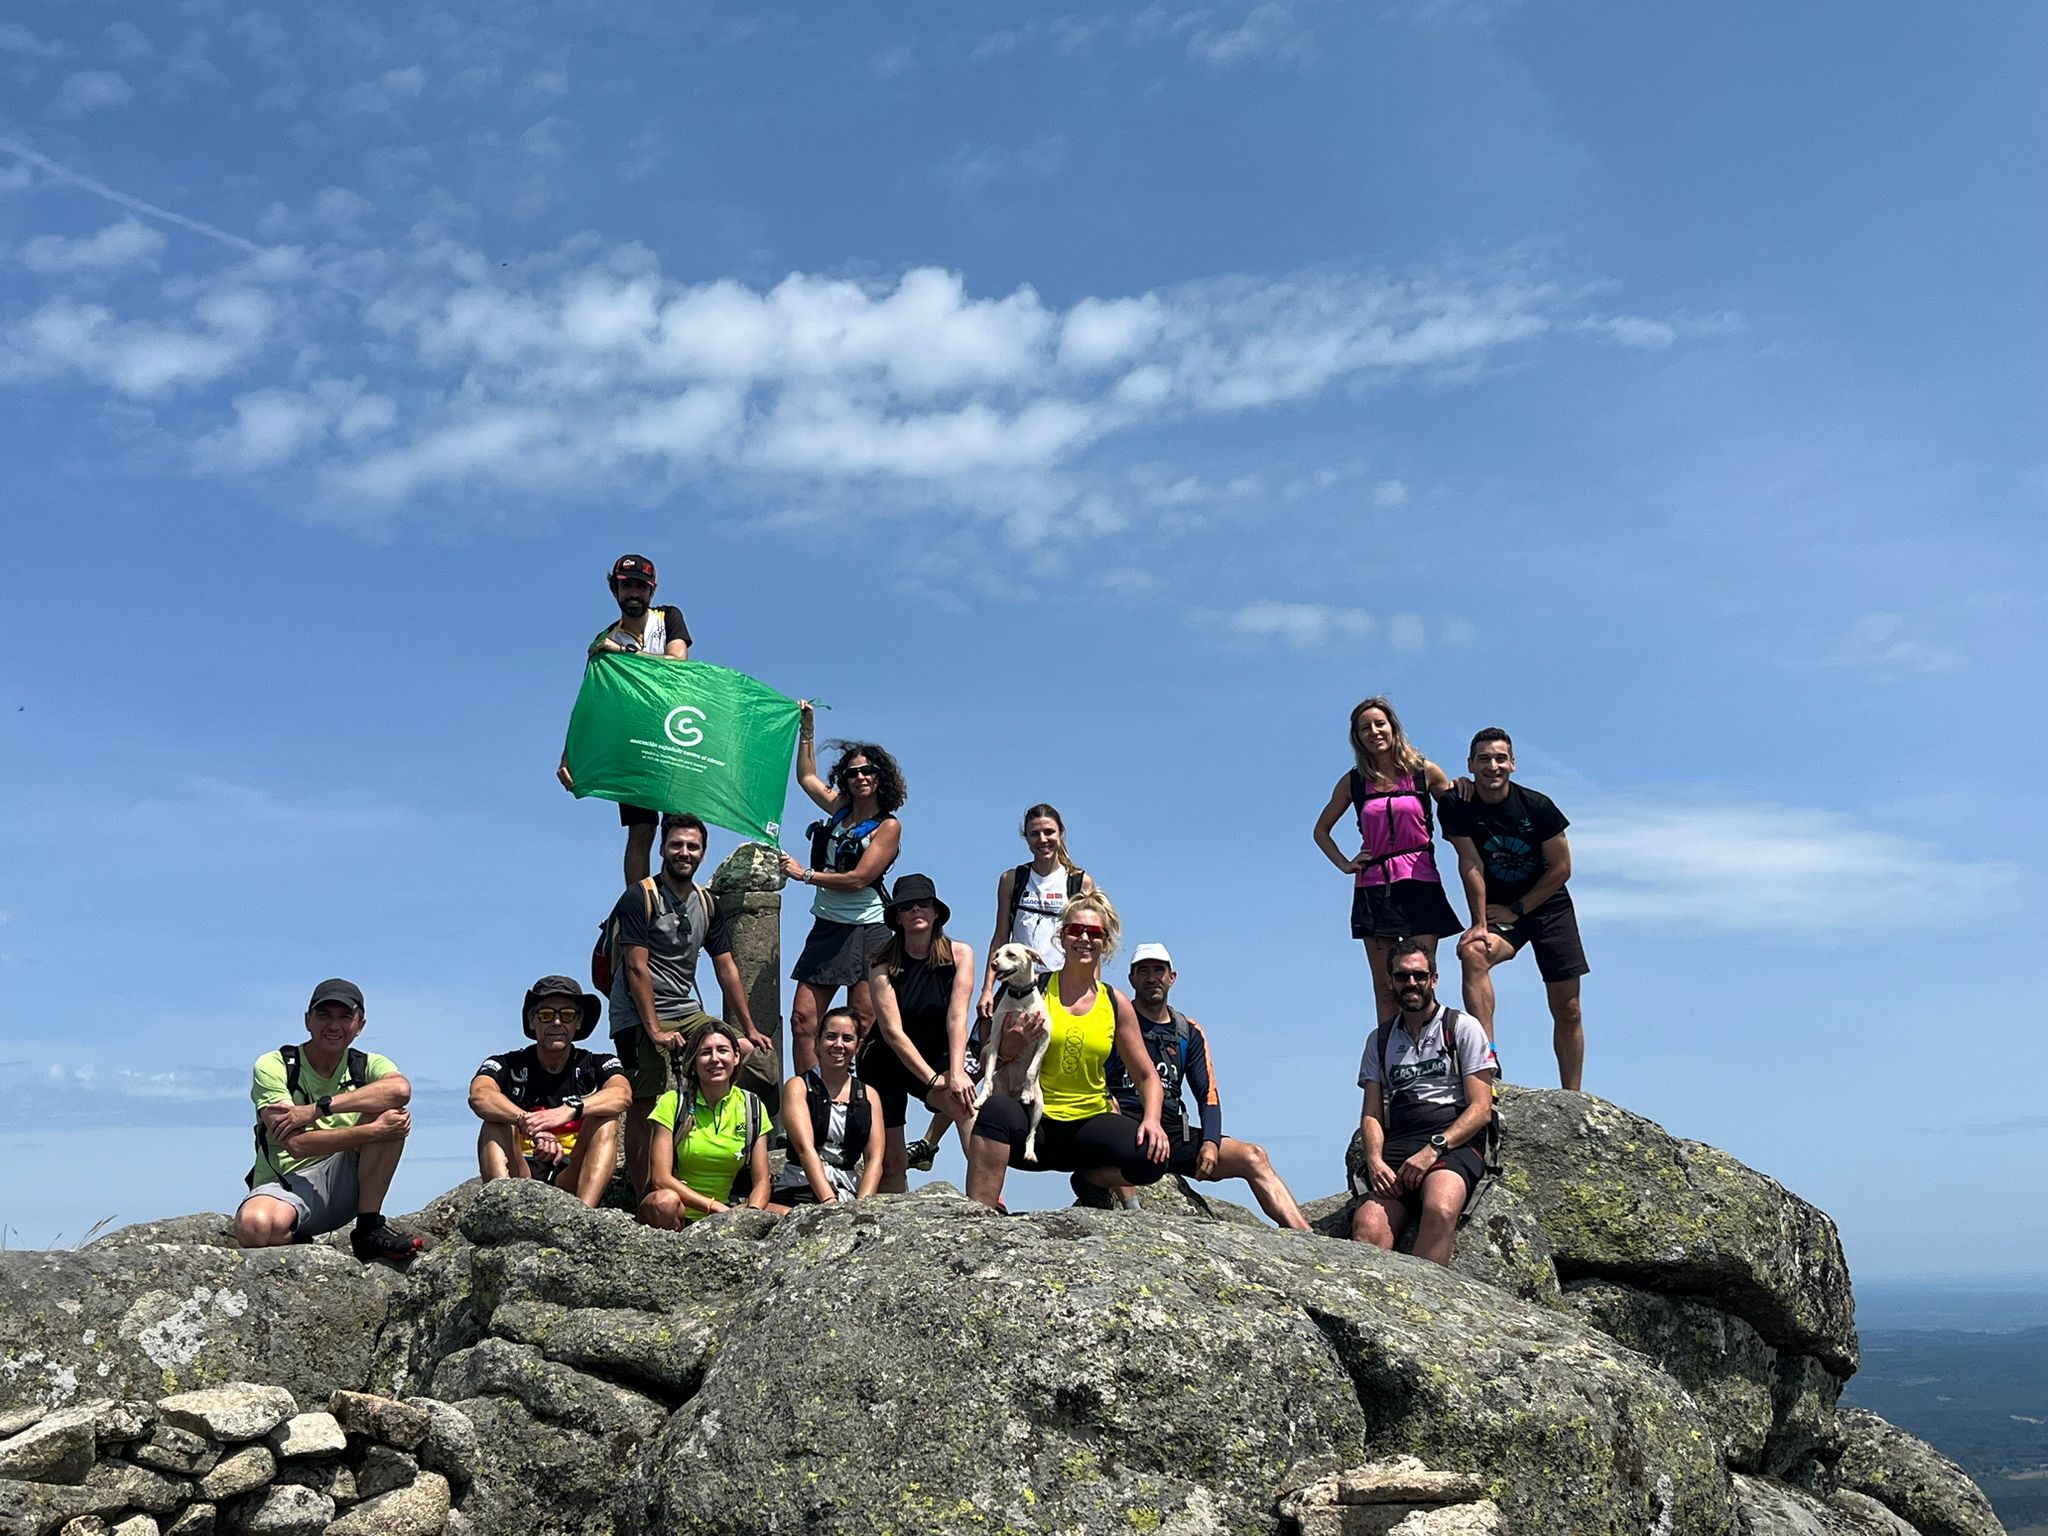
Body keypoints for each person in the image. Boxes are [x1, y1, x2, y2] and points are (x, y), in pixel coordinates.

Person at [964, 889, 1171, 1211]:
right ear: (1062, 937)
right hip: (1036, 1126)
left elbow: (1146, 1075)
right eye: (1075, 930)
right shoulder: (1033, 990)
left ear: (1106, 942)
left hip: (1090, 1125)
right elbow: (986, 1057)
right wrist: (1010, 1045)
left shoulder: (1114, 1002)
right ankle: (979, 1215)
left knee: (1152, 1156)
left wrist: (1153, 1121)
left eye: (1094, 933)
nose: (1084, 939)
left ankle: (1091, 1181)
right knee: (994, 1112)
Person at [607, 814, 769, 1196]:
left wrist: (748, 1029)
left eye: (692, 846)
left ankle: (733, 1169)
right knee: (648, 1098)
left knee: (754, 1059)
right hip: (637, 1012)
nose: (684, 853)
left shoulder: (706, 903)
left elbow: (726, 966)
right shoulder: (640, 896)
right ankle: (646, 1193)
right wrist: (654, 1031)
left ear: (703, 852)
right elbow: (635, 966)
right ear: (663, 848)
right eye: (677, 845)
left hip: (685, 1007)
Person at [1096, 943, 1309, 1229]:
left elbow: (1207, 1092)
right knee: (1116, 1126)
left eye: (1159, 970)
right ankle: (1133, 1214)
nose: (1151, 978)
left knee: (1253, 1156)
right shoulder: (1114, 1022)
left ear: (1172, 977)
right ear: (1131, 979)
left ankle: (1304, 1233)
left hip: (1172, 1131)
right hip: (1126, 1127)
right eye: (1143, 971)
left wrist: (1210, 1141)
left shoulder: (1188, 1031)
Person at [1443, 728, 1588, 1090]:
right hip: (1498, 909)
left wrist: (1519, 908)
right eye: (1484, 759)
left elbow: (1562, 869)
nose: (1493, 766)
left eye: (1500, 758)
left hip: (1547, 906)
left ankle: (1573, 1097)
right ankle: (1485, 1061)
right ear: (1471, 765)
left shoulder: (1538, 807)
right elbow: (1470, 862)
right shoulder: (1455, 804)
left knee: (1568, 1007)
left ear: (1512, 763)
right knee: (1473, 953)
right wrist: (1479, 923)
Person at [236, 978, 420, 1264]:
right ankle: (295, 1238)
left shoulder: (366, 1065)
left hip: (348, 1181)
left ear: (360, 1025)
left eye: (345, 1017)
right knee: (254, 1228)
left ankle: (369, 1228)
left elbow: (400, 1090)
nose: (333, 1026)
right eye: (324, 1015)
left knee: (389, 1112)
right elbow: (296, 1144)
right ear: (308, 1020)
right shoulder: (275, 1065)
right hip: (288, 1184)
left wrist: (317, 1109)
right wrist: (371, 1132)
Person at [1313, 696, 1461, 1021]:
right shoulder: (1353, 782)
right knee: (1386, 987)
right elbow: (1321, 830)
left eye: (1379, 724)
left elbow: (1458, 812)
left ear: (1393, 727)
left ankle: (1426, 1054)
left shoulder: (1423, 771)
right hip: (1374, 887)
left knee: (1418, 980)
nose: (1374, 731)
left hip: (1421, 881)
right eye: (1365, 727)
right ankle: (1391, 1062)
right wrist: (1344, 863)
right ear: (1357, 737)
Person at [1349, 940, 1495, 1266]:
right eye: (1402, 977)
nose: (1411, 983)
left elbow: (1481, 1108)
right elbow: (1371, 1113)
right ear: (1390, 981)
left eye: (1419, 975)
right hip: (1401, 1138)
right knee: (1368, 1228)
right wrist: (1374, 1160)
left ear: (1434, 979)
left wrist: (1433, 1149)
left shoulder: (1462, 1027)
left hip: (1453, 1140)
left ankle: (1423, 1306)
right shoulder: (1380, 1040)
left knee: (1440, 1208)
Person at [779, 709, 905, 1074]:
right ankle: (807, 1098)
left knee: (860, 1027)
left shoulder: (888, 826)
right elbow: (806, 777)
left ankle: (850, 1102)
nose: (861, 778)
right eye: (853, 773)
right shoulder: (839, 810)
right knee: (803, 1019)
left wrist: (806, 875)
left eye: (869, 772)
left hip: (869, 929)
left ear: (882, 778)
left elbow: (859, 879)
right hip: (829, 926)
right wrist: (808, 729)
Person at [556, 552, 693, 885]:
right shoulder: (604, 640)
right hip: (633, 740)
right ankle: (638, 902)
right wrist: (568, 754)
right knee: (641, 829)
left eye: (641, 587)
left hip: (675, 733)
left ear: (652, 590)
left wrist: (623, 654)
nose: (634, 593)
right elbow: (591, 704)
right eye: (627, 585)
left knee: (680, 823)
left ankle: (677, 895)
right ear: (614, 589)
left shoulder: (668, 617)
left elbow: (678, 664)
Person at [469, 976, 632, 1207]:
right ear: (532, 1021)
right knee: (493, 1122)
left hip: (570, 1171)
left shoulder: (596, 1063)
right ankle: (502, 1209)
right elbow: (480, 1095)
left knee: (607, 1121)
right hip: (521, 1168)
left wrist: (570, 1109)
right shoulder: (508, 1064)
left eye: (566, 1015)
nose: (556, 1022)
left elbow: (622, 1094)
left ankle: (584, 1218)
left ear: (578, 1022)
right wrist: (526, 1122)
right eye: (546, 1015)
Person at [863, 875, 977, 1191]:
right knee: (892, 1161)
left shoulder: (960, 954)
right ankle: (892, 1229)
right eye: (906, 906)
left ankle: (987, 1200)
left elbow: (958, 1016)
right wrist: (931, 1079)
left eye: (923, 904)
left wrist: (955, 1073)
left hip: (936, 1048)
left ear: (936, 911)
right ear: (897, 916)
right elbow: (892, 1031)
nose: (916, 911)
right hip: (886, 1060)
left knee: (966, 1103)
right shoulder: (881, 964)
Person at [637, 1020, 774, 1227]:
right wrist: (715, 1208)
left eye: (722, 1050)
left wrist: (750, 1216)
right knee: (665, 1202)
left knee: (793, 1217)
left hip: (730, 1209)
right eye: (705, 1053)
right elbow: (660, 1178)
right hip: (679, 1211)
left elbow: (762, 1181)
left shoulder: (752, 1106)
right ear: (693, 1061)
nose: (715, 1059)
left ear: (736, 1057)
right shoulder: (673, 1103)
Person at [977, 804, 1093, 1016]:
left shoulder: (1079, 882)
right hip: (1019, 983)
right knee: (994, 1043)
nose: (1042, 840)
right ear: (1026, 838)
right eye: (1034, 834)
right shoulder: (1012, 880)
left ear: (1061, 833)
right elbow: (1001, 936)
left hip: (1063, 985)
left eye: (1049, 832)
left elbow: (1090, 942)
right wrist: (987, 989)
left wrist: (1094, 989)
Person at [767, 1007, 885, 1210]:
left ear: (858, 1046)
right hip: (800, 1189)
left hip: (848, 1191)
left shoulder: (869, 1095)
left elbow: (875, 1158)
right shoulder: (798, 1087)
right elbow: (805, 1148)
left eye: (847, 1038)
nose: (838, 1045)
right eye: (831, 1037)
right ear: (817, 1043)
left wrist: (862, 1206)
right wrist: (829, 1203)